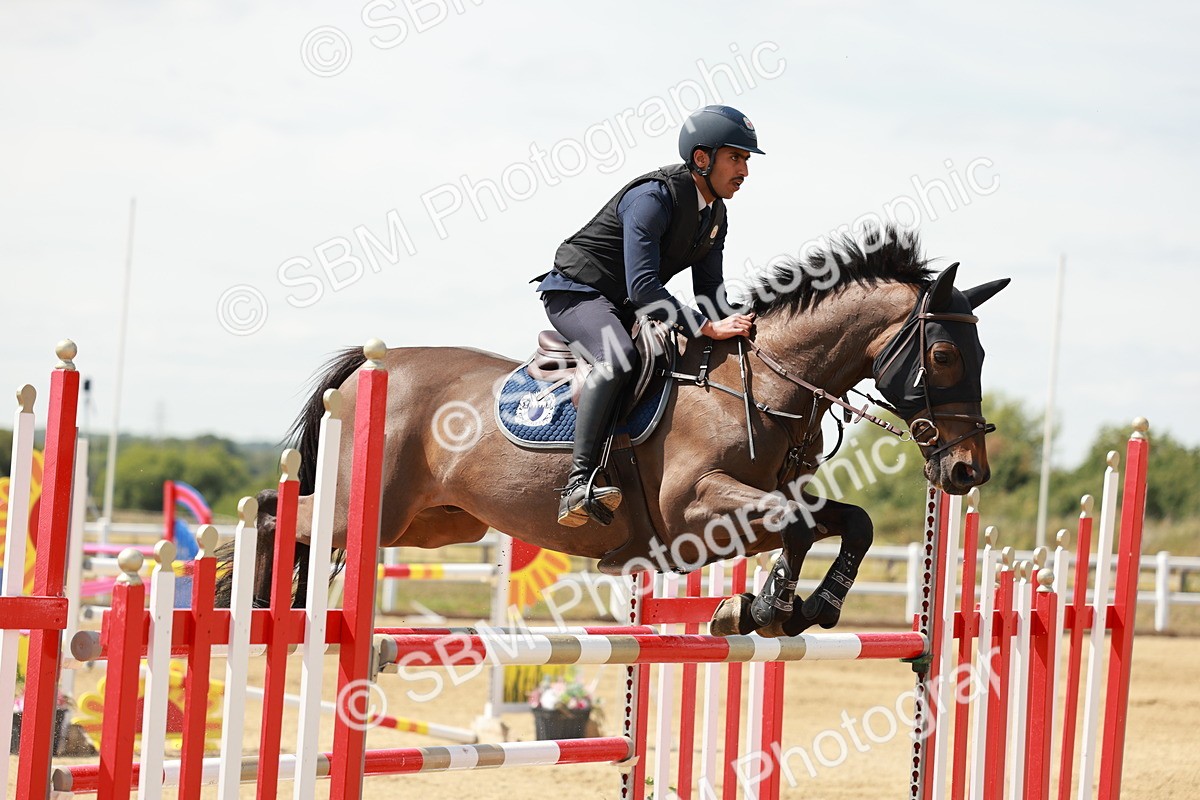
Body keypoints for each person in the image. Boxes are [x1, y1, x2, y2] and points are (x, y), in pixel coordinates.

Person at [533, 104, 762, 527]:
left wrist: (745, 329)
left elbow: (709, 292)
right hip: (578, 291)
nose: (744, 170)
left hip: (623, 303)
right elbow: (643, 289)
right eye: (736, 157)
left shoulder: (715, 215)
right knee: (617, 357)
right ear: (701, 158)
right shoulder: (652, 198)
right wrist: (706, 326)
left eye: (747, 159)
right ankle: (577, 483)